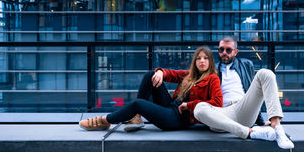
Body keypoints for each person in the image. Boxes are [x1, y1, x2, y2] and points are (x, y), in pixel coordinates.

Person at [79, 46, 223, 132]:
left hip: (178, 119)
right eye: (199, 58)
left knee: (138, 104)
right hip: (169, 107)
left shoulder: (212, 79)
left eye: (206, 58)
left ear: (210, 61)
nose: (202, 61)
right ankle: (136, 118)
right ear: (195, 61)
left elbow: (217, 103)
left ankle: (104, 121)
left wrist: (189, 105)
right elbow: (170, 73)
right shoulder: (189, 75)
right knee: (151, 75)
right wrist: (160, 72)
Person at [193, 37, 294, 149]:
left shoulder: (246, 64)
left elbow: (253, 92)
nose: (224, 53)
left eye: (228, 50)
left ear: (235, 52)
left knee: (265, 73)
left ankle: (277, 128)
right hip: (222, 113)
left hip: (243, 108)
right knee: (199, 108)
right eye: (221, 50)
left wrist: (260, 121)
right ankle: (249, 133)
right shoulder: (211, 69)